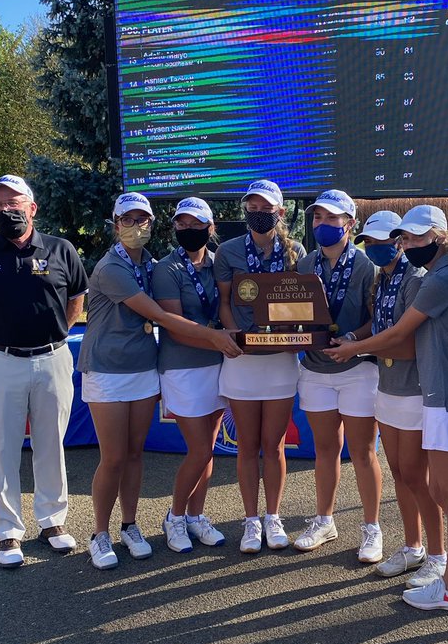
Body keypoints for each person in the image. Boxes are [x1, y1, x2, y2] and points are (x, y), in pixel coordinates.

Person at [326, 205, 448, 608]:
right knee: (445, 490)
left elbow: (402, 333)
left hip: (443, 394)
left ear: (439, 235)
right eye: (407, 236)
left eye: (417, 237)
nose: (408, 244)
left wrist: (354, 349)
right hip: (438, 393)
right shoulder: (440, 274)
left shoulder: (439, 278)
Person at [78, 193, 240, 570]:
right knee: (114, 457)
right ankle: (99, 534)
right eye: (128, 219)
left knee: (135, 455)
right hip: (106, 369)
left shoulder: (148, 264)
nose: (137, 226)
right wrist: (216, 336)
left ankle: (130, 526)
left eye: (143, 219)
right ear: (116, 224)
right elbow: (161, 317)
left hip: (142, 368)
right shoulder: (111, 268)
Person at [0, 174, 89, 569]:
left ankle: (52, 522)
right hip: (1, 359)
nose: (5, 210)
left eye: (13, 203)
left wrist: (55, 333)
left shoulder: (61, 250)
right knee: (1, 447)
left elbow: (76, 299)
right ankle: (7, 531)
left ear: (32, 208)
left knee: (51, 444)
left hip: (52, 358)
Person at [214, 179, 306, 554]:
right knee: (247, 445)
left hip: (281, 359)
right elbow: (223, 302)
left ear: (280, 212)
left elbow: (304, 304)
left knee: (276, 445)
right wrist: (230, 331)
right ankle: (251, 521)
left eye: (265, 209)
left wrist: (295, 329)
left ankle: (273, 516)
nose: (257, 214)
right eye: (251, 207)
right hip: (242, 360)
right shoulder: (228, 251)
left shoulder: (296, 251)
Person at [352, 209, 444, 580]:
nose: (375, 248)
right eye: (368, 243)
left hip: (414, 390)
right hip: (386, 387)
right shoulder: (382, 279)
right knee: (398, 474)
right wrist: (353, 339)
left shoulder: (415, 279)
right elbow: (379, 330)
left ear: (399, 241)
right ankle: (413, 547)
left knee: (416, 477)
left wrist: (357, 349)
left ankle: (438, 556)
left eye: (383, 242)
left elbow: (408, 345)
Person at [293, 190, 382, 562]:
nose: (323, 225)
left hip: (357, 369)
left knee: (361, 452)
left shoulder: (366, 266)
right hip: (315, 369)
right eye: (318, 219)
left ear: (350, 223)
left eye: (332, 219)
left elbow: (378, 319)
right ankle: (324, 520)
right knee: (325, 449)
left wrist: (351, 340)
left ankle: (372, 528)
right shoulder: (304, 264)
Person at [153, 197, 235, 553]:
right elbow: (175, 328)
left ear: (210, 227)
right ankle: (174, 516)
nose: (188, 230)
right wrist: (219, 339)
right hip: (183, 366)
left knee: (209, 449)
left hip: (218, 364)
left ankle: (196, 517)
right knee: (199, 449)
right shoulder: (166, 269)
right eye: (181, 224)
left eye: (196, 224)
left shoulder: (220, 265)